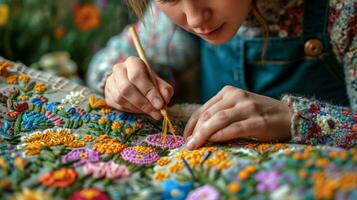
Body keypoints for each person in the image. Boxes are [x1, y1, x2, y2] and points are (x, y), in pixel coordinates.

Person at [87, 0, 357, 149]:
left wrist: (294, 120)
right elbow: (103, 64)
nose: (194, 19)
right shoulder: (171, 22)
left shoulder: (342, 10)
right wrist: (119, 81)